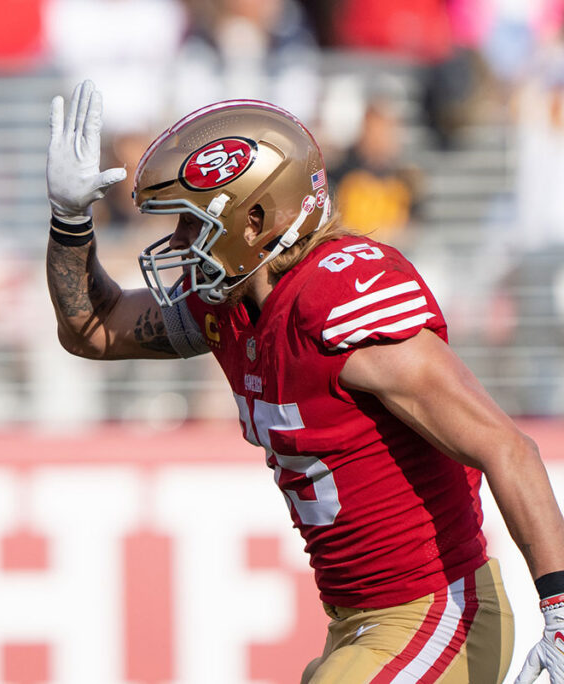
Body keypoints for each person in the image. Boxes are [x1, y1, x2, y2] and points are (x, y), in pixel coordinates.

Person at [42, 80, 564, 683]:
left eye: (190, 224)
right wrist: (70, 220)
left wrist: (559, 615)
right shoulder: (230, 305)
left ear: (254, 220)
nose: (178, 243)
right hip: (357, 622)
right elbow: (92, 329)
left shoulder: (334, 299)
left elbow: (506, 446)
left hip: (435, 613)